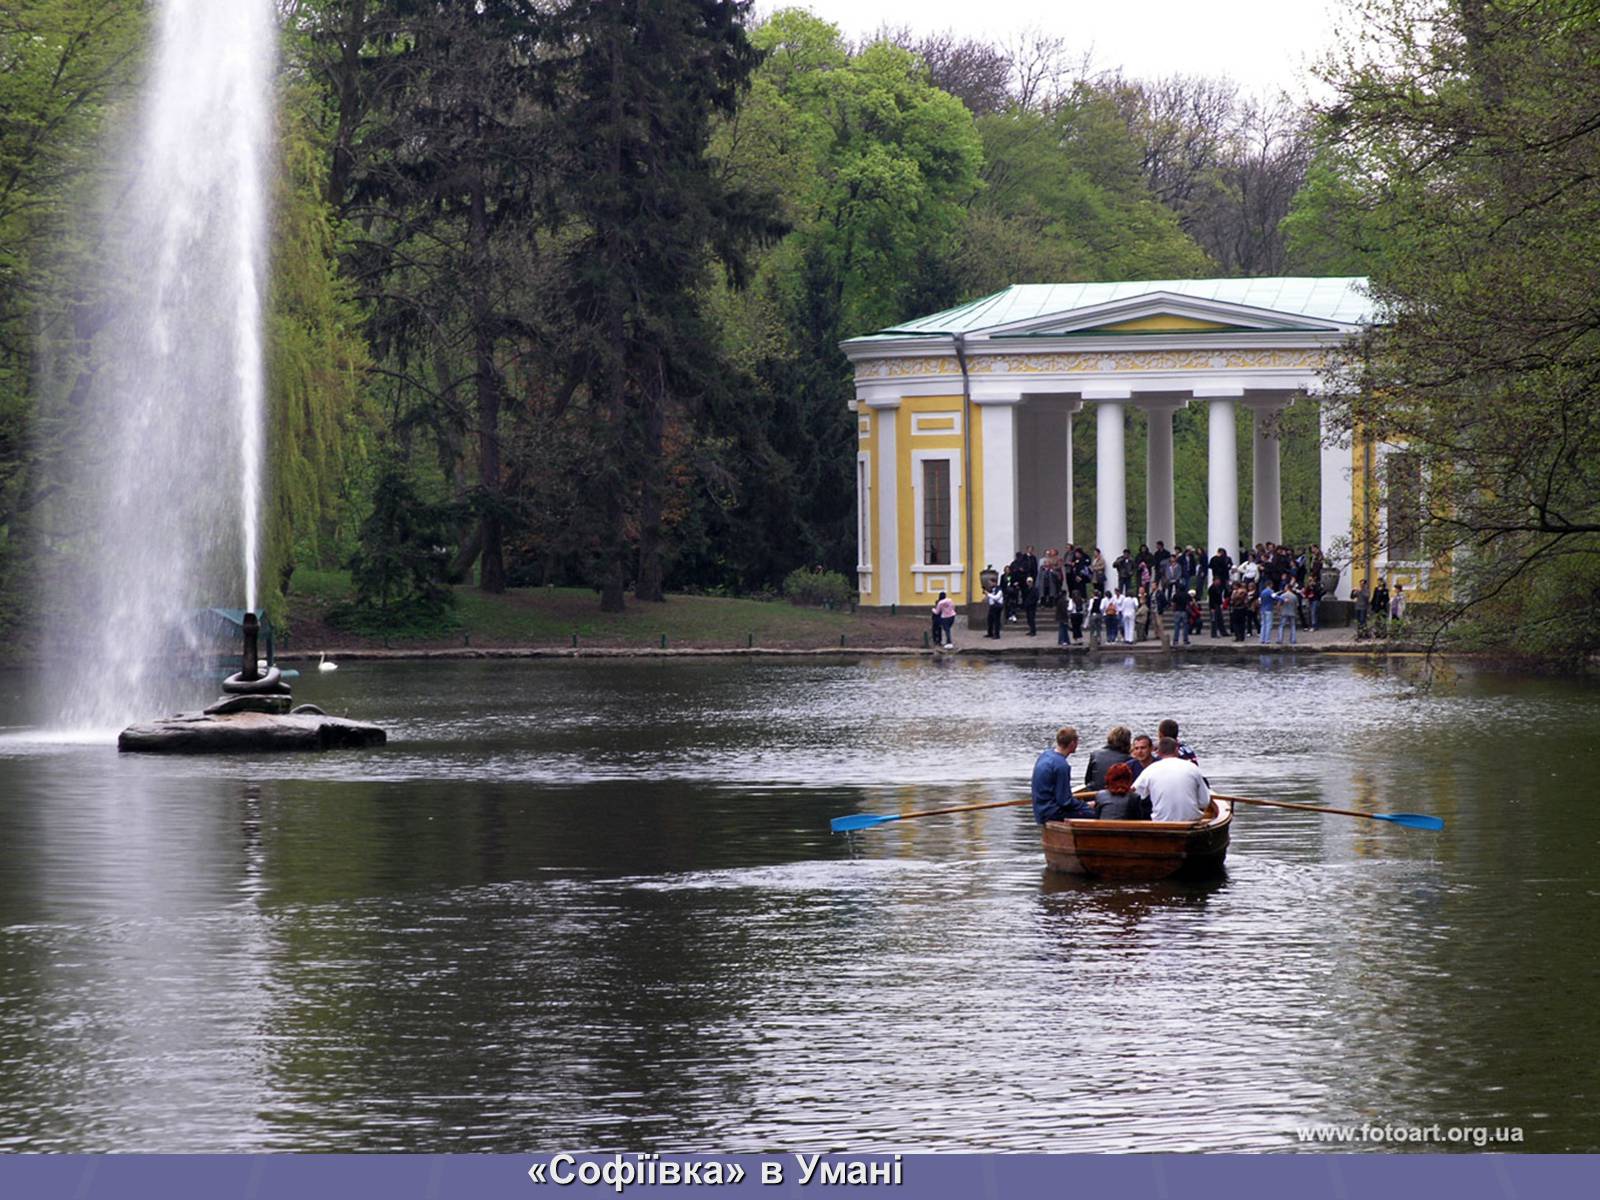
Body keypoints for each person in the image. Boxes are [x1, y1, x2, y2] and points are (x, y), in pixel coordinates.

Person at [1132, 737, 1212, 821]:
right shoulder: (1193, 768)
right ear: (1177, 750)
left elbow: (1134, 796)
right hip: (1190, 822)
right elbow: (1204, 802)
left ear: (1158, 752)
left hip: (1161, 823)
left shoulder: (1150, 769)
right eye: (1136, 748)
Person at [1031, 726, 1093, 822]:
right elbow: (1064, 801)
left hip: (1040, 810)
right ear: (1072, 744)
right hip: (1051, 813)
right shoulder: (1061, 766)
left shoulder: (1045, 755)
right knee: (1096, 813)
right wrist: (1086, 805)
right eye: (1077, 742)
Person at [1084, 725, 1136, 790]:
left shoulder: (1095, 754)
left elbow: (1087, 780)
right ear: (1127, 741)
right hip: (1116, 794)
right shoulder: (1129, 759)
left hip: (1093, 793)